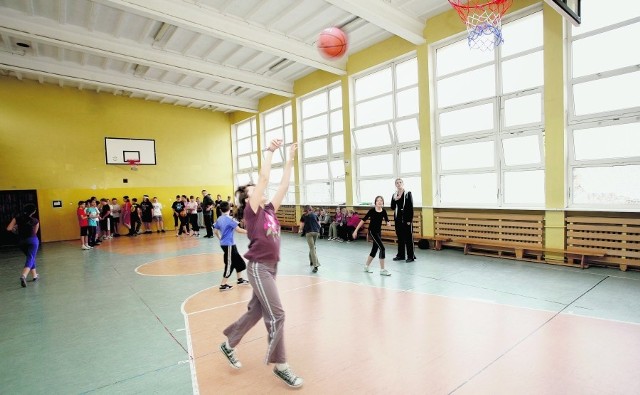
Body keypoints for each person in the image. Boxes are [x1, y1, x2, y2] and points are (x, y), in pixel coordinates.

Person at [219, 139, 303, 388]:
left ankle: (228, 344)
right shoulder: (251, 211)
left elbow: (284, 185)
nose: (260, 189)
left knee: (256, 311)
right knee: (277, 315)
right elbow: (264, 179)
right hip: (259, 267)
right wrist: (269, 152)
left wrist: (289, 159)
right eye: (254, 189)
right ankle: (281, 366)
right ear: (247, 199)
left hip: (272, 267)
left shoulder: (269, 210)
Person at [213, 201, 250, 291]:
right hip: (229, 245)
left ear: (221, 210)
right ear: (229, 208)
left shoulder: (219, 219)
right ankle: (223, 284)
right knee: (229, 264)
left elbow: (215, 231)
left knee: (239, 261)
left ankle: (240, 279)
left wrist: (220, 238)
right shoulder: (230, 219)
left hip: (228, 244)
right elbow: (239, 230)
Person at [352, 196, 391, 276]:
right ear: (375, 202)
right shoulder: (372, 211)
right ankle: (382, 270)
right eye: (378, 201)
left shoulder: (384, 211)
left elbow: (387, 220)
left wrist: (388, 223)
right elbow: (363, 220)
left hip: (378, 232)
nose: (379, 202)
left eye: (381, 201)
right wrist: (355, 231)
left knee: (374, 250)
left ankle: (366, 266)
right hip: (372, 232)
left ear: (383, 202)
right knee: (382, 248)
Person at [7, 204, 40, 287]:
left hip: (21, 242)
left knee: (30, 257)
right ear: (33, 212)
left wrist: (16, 230)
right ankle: (23, 276)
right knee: (31, 257)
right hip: (32, 240)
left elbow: (9, 228)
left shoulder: (17, 218)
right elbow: (35, 232)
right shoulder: (35, 220)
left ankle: (35, 275)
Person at [390, 178, 416, 263]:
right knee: (400, 238)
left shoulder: (408, 194)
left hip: (406, 219)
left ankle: (411, 256)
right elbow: (392, 207)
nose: (399, 184)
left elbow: (410, 207)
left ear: (403, 183)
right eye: (397, 183)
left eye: (400, 182)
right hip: (398, 219)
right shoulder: (394, 194)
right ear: (395, 185)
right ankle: (401, 255)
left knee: (408, 238)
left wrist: (409, 220)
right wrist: (395, 200)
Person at [299, 205, 321, 273]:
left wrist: (300, 230)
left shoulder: (303, 216)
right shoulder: (314, 214)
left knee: (312, 248)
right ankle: (311, 261)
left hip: (309, 233)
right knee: (313, 247)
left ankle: (316, 265)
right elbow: (319, 223)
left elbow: (302, 225)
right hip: (316, 232)